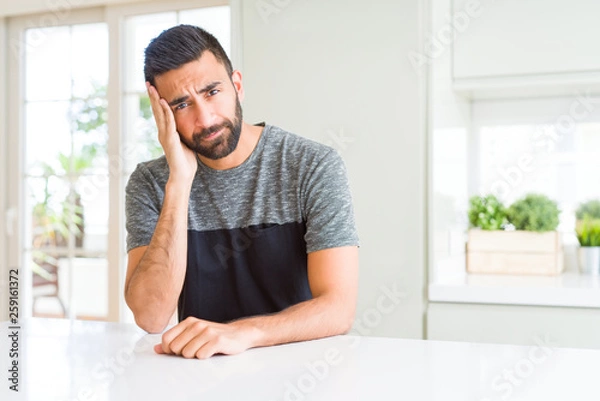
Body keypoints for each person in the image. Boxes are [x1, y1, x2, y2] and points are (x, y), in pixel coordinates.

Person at [124, 24, 359, 360]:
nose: (205, 119)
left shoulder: (313, 165)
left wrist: (243, 334)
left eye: (211, 92)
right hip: (200, 373)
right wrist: (178, 182)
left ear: (237, 85)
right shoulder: (150, 182)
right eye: (181, 105)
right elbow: (151, 316)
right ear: (162, 114)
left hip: (302, 369)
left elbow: (338, 307)